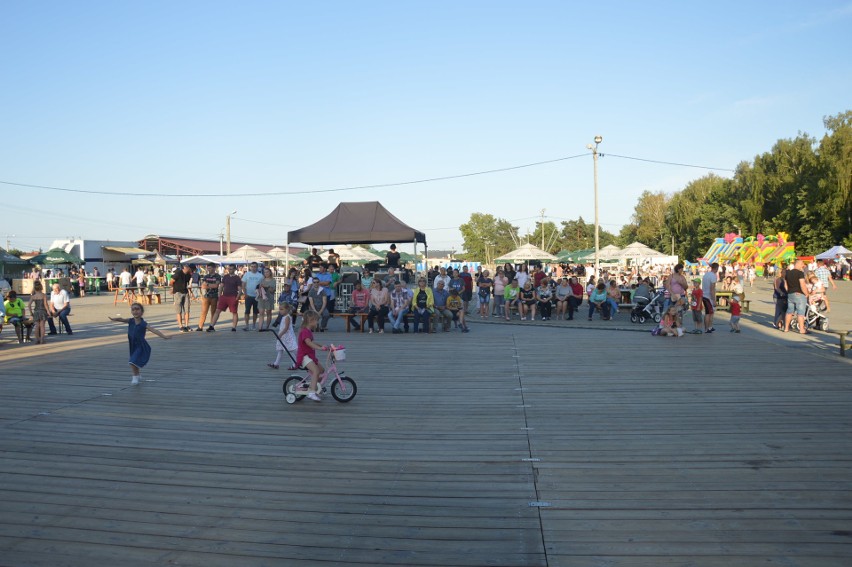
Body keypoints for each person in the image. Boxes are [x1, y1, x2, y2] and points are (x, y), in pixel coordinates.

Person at [109, 302, 169, 385]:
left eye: (137, 309)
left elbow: (154, 330)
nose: (135, 311)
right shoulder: (131, 321)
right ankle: (138, 374)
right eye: (133, 309)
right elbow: (122, 319)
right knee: (135, 362)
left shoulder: (143, 323)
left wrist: (164, 336)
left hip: (140, 345)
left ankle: (135, 377)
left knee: (132, 361)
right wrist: (114, 319)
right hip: (133, 344)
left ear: (142, 311)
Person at [296, 310, 327, 402]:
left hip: (309, 356)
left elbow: (312, 342)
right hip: (304, 357)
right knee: (316, 371)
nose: (317, 322)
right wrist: (319, 348)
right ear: (311, 321)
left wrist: (322, 346)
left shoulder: (308, 331)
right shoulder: (305, 332)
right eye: (316, 320)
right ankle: (311, 392)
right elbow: (308, 343)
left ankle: (314, 386)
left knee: (321, 370)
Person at [209, 264, 241, 332]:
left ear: (235, 270)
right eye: (229, 269)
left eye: (231, 269)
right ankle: (211, 326)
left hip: (233, 296)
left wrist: (237, 297)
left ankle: (234, 327)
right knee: (217, 310)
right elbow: (221, 286)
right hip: (224, 296)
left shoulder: (237, 278)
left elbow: (240, 288)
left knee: (234, 312)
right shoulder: (225, 277)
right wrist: (220, 295)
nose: (230, 270)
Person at [783, 259, 810, 335]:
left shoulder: (787, 273)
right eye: (802, 264)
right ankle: (801, 329)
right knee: (800, 312)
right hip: (799, 294)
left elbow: (785, 285)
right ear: (798, 264)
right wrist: (806, 293)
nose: (803, 266)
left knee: (789, 312)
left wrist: (789, 291)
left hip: (790, 294)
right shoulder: (800, 273)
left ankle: (786, 328)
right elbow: (802, 284)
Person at [268, 303, 297, 370]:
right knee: (280, 350)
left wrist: (280, 334)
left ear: (287, 309)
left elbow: (286, 328)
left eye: (282, 309)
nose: (280, 311)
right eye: (279, 309)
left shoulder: (287, 317)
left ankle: (295, 363)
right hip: (283, 337)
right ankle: (276, 363)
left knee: (290, 350)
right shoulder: (284, 317)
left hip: (287, 337)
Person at [171, 264, 193, 332]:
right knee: (179, 310)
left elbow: (187, 283)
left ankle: (186, 325)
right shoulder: (178, 273)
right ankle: (180, 326)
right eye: (189, 269)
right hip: (178, 292)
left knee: (187, 309)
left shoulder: (188, 275)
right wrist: (173, 288)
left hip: (185, 292)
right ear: (185, 268)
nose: (190, 270)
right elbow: (171, 281)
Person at [256, 267, 277, 331]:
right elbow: (258, 288)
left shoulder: (273, 280)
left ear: (270, 272)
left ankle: (267, 327)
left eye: (267, 272)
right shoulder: (262, 280)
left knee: (268, 312)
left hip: (269, 297)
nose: (266, 273)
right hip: (261, 298)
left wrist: (267, 287)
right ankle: (260, 327)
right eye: (265, 272)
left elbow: (273, 290)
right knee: (261, 313)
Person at [701, 262, 719, 333]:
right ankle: (707, 328)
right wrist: (714, 299)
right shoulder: (713, 276)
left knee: (711, 312)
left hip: (704, 295)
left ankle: (710, 327)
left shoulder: (706, 274)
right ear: (716, 268)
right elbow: (712, 289)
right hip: (708, 297)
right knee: (708, 313)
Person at [772, 266, 788, 330]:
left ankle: (780, 323)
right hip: (778, 296)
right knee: (779, 310)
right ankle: (776, 323)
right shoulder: (778, 279)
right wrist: (781, 293)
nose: (785, 273)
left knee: (783, 310)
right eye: (784, 272)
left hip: (784, 296)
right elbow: (777, 288)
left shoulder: (785, 279)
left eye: (785, 272)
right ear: (780, 273)